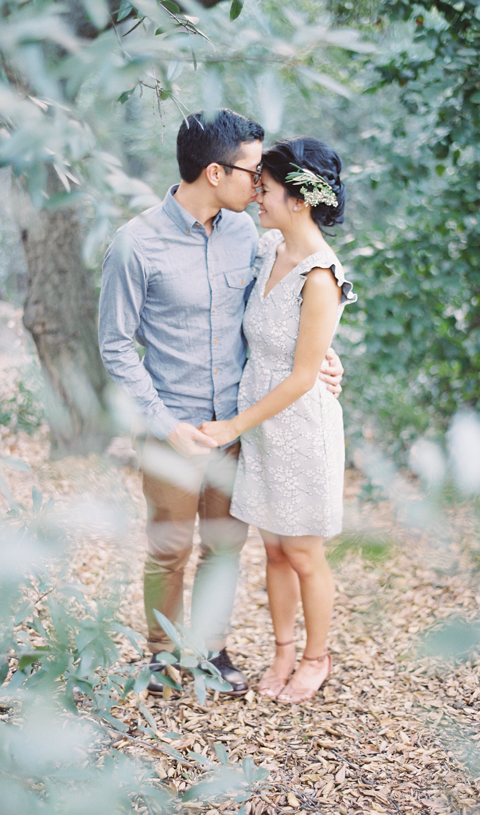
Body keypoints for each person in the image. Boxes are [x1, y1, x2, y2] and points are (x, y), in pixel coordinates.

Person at [98, 109, 342, 698]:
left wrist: (327, 359)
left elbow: (290, 313)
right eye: (254, 172)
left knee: (225, 547)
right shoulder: (135, 245)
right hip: (171, 429)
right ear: (215, 172)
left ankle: (210, 650)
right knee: (169, 548)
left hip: (240, 429)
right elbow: (114, 345)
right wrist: (165, 424)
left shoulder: (252, 238)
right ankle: (162, 655)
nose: (262, 185)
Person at [198, 137, 355, 703]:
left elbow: (301, 375)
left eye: (265, 189)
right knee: (273, 550)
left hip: (298, 427)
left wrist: (231, 427)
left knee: (304, 553)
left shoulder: (321, 275)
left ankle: (317, 657)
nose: (257, 196)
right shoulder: (267, 249)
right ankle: (282, 650)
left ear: (300, 199)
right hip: (260, 424)